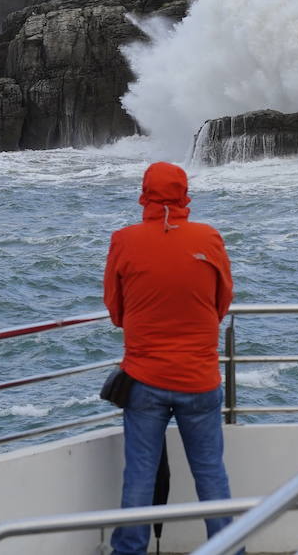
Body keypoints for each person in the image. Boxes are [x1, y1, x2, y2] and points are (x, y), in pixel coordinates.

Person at [103, 161, 235, 555]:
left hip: (144, 378)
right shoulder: (209, 238)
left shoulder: (124, 240)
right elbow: (222, 302)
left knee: (140, 474)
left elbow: (115, 310)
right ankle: (228, 548)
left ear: (144, 194)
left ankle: (130, 550)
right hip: (200, 377)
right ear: (184, 194)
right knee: (211, 472)